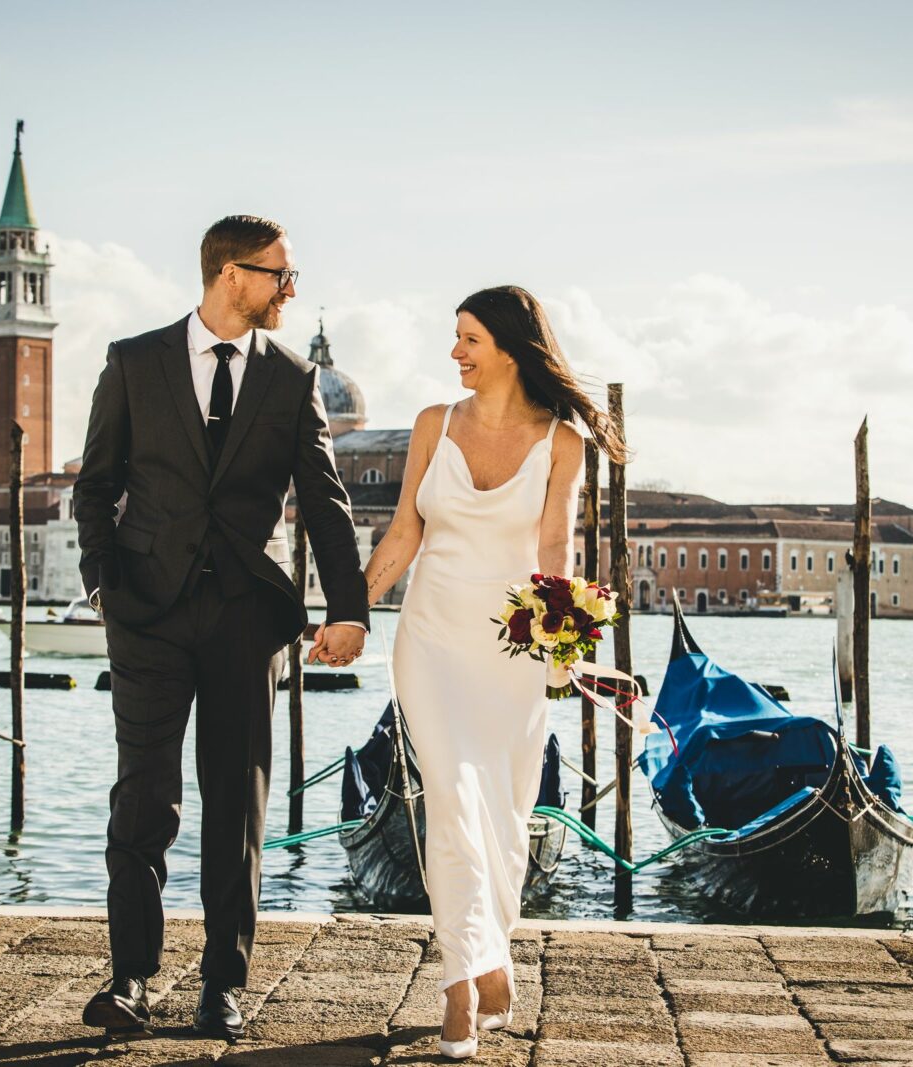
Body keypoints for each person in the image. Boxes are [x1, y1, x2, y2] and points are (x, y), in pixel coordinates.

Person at [72, 215, 369, 1039]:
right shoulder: (134, 362)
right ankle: (130, 976)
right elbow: (94, 485)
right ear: (231, 275)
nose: (291, 288)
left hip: (248, 615)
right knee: (144, 797)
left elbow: (325, 502)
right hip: (147, 613)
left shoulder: (293, 377)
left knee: (236, 801)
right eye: (280, 274)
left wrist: (347, 608)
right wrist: (103, 583)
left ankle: (222, 985)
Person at [359, 285, 628, 1059]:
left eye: (469, 338)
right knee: (449, 796)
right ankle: (457, 985)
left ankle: (493, 953)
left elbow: (554, 553)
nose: (455, 353)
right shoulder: (432, 425)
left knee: (506, 812)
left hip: (513, 646)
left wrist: (566, 647)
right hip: (432, 636)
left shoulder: (561, 441)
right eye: (455, 339)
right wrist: (352, 610)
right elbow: (405, 529)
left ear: (510, 346)